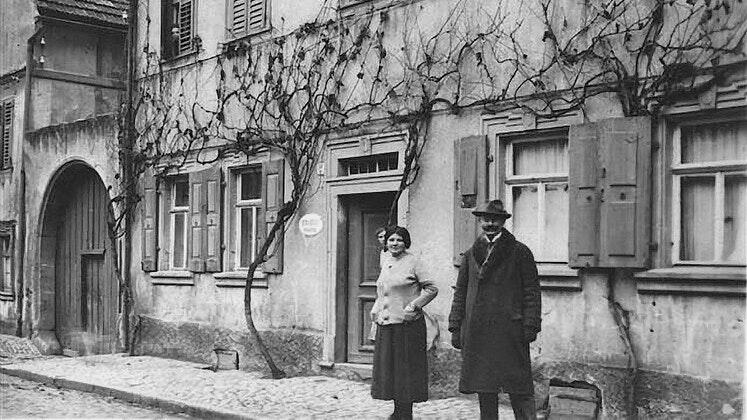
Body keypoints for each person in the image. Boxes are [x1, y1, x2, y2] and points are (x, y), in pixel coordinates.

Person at [448, 200, 541, 420]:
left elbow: (532, 291)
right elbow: (460, 291)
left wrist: (530, 324)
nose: (490, 223)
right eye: (486, 219)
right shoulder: (471, 254)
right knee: (485, 386)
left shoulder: (519, 252)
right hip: (478, 330)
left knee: (519, 387)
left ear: (503, 222)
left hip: (510, 329)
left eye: (495, 219)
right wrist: (455, 325)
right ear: (480, 222)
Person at [370, 226, 438, 420]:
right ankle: (397, 410)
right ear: (386, 243)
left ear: (405, 242)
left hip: (407, 326)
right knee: (390, 369)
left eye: (399, 240)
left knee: (405, 370)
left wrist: (414, 305)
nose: (394, 243)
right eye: (391, 240)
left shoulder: (414, 261)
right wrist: (376, 307)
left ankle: (405, 413)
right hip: (387, 324)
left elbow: (431, 288)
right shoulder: (386, 260)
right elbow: (384, 290)